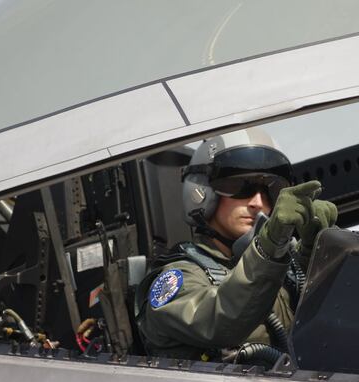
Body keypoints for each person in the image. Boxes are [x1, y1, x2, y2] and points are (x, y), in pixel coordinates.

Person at [136, 128, 337, 362]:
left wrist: (315, 252)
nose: (257, 202)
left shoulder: (281, 268)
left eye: (270, 190)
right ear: (201, 192)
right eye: (239, 186)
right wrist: (269, 247)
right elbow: (222, 319)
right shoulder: (177, 279)